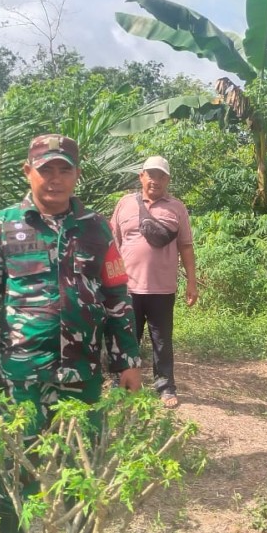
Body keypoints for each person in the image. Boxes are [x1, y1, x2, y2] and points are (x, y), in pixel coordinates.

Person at [0, 133, 142, 533]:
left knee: (83, 473)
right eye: (46, 170)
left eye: (64, 170)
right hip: (19, 379)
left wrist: (128, 361)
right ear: (28, 172)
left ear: (77, 175)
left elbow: (117, 295)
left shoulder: (96, 228)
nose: (55, 179)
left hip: (82, 377)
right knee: (10, 473)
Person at [111, 155, 198, 409]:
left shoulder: (176, 207)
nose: (155, 180)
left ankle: (166, 387)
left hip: (162, 288)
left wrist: (191, 282)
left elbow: (186, 246)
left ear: (168, 180)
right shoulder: (125, 204)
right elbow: (112, 244)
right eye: (151, 175)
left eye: (161, 176)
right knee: (128, 339)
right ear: (141, 176)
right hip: (128, 287)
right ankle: (124, 385)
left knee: (162, 341)